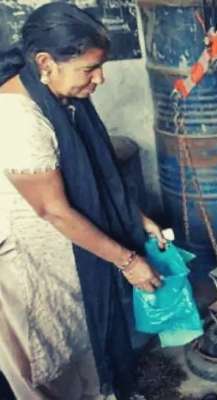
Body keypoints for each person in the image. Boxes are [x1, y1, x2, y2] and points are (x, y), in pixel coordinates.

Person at [0, 3, 166, 399]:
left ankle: (103, 390)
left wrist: (137, 217)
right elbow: (53, 210)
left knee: (88, 339)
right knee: (53, 357)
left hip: (72, 250)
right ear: (46, 62)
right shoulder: (17, 119)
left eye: (100, 66)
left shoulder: (62, 98)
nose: (100, 79)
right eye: (89, 69)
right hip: (32, 263)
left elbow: (96, 175)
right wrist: (128, 262)